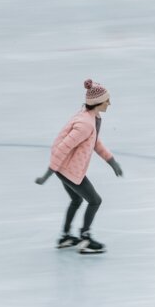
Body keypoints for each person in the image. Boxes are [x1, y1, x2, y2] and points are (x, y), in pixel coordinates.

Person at [35, 79, 123, 254]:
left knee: (76, 200)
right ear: (98, 102)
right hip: (68, 170)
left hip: (64, 168)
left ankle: (65, 236)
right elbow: (63, 147)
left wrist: (111, 161)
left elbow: (95, 142)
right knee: (95, 201)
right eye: (107, 100)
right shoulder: (85, 124)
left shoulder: (91, 117)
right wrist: (48, 174)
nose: (109, 103)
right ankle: (85, 238)